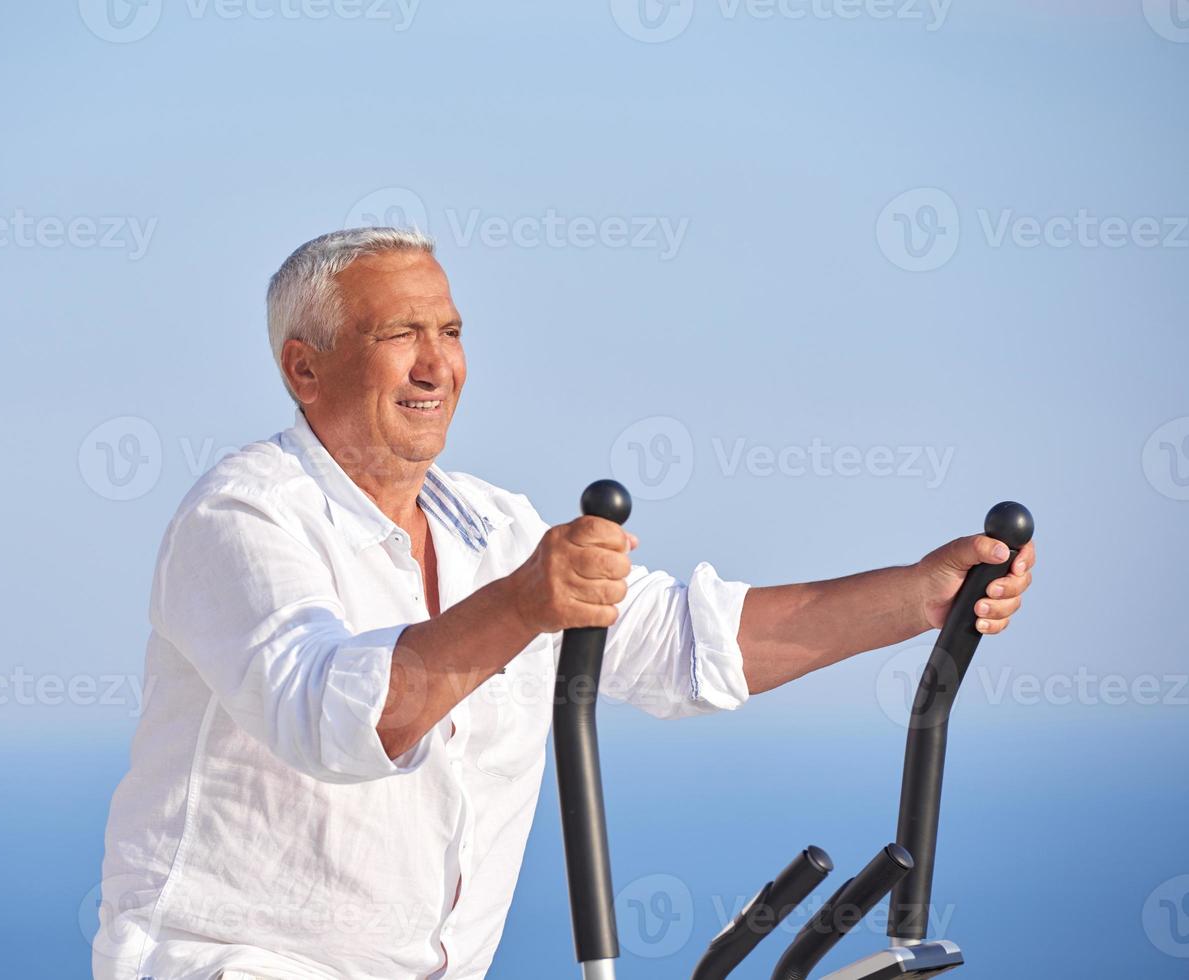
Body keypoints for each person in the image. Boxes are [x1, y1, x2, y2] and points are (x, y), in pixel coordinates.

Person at [92, 227, 1037, 980]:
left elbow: (683, 646)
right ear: (305, 369)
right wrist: (521, 605)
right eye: (399, 336)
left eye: (451, 332)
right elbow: (330, 718)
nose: (436, 365)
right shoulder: (242, 516)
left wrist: (915, 596)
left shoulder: (489, 527)